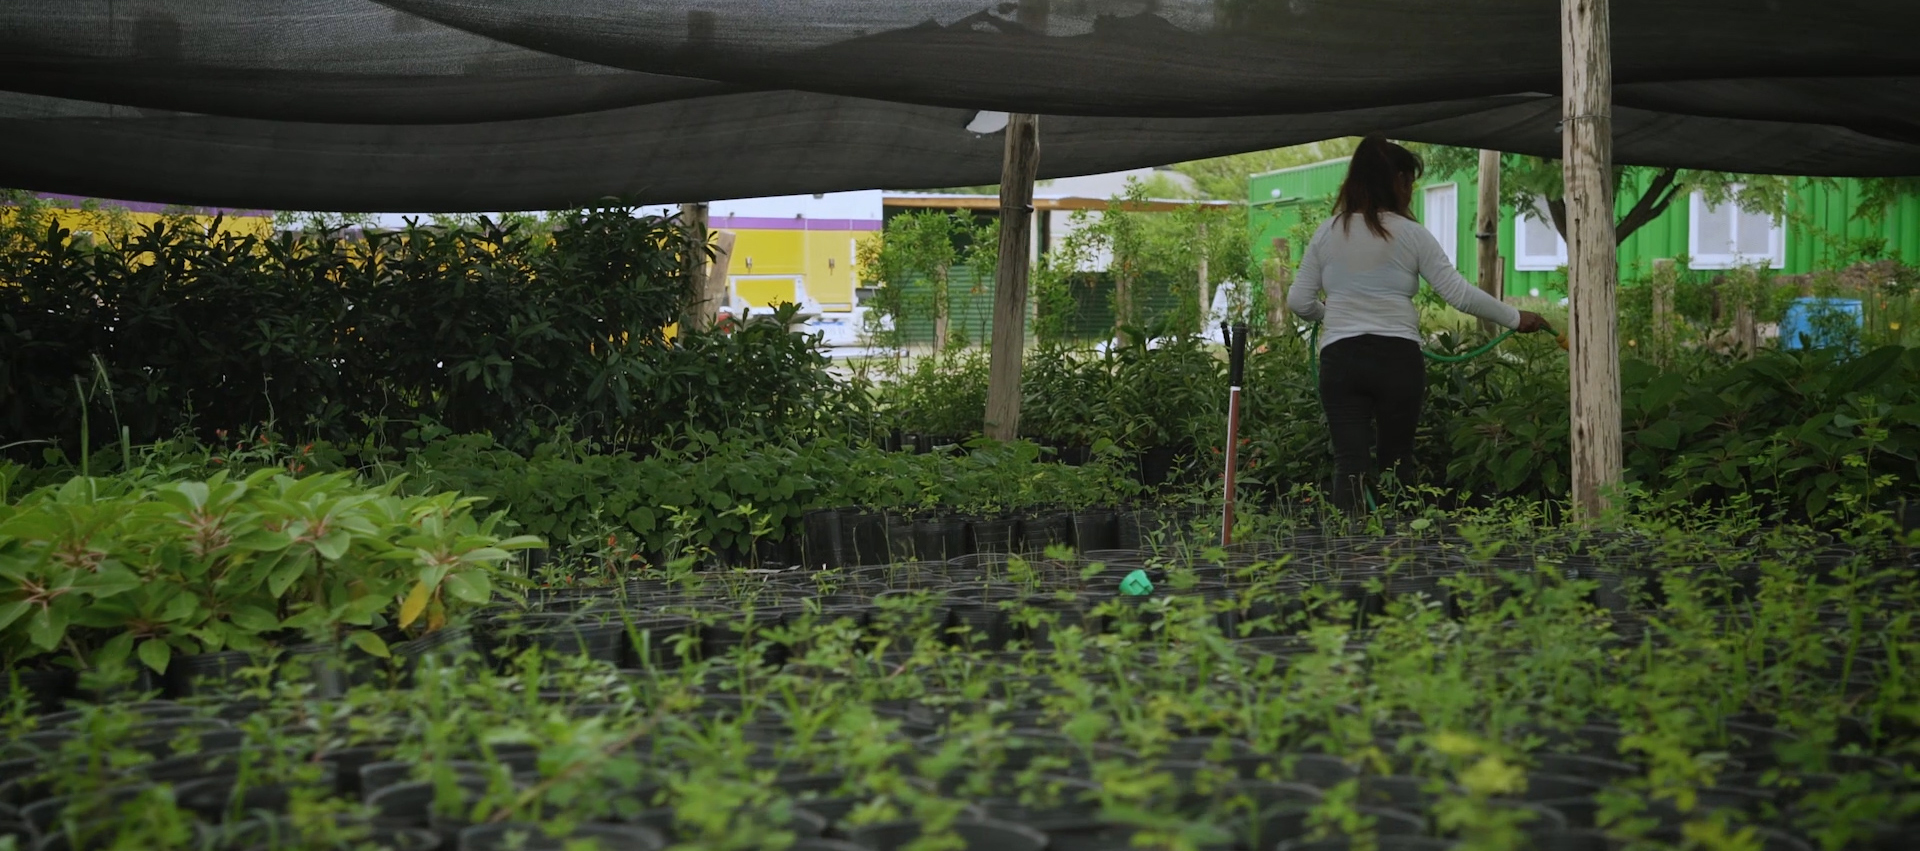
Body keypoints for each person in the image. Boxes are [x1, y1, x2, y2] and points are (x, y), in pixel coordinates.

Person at [1286, 136, 1549, 514]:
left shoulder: (1328, 232)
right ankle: (1401, 554)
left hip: (1341, 360)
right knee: (1397, 462)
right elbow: (1457, 293)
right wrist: (1515, 317)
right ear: (1395, 180)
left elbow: (1298, 301)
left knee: (1350, 466)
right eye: (1409, 181)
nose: (1410, 191)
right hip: (1397, 361)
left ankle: (1346, 558)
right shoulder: (1411, 234)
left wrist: (1331, 316)